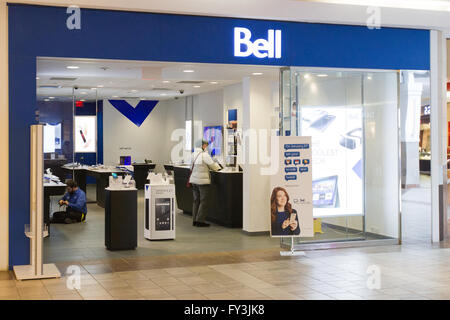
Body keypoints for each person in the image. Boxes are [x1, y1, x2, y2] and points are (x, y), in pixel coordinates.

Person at [189, 139, 221, 227]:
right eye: (205, 145)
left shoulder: (193, 154)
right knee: (204, 201)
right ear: (202, 146)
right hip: (203, 181)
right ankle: (200, 221)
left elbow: (190, 167)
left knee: (196, 201)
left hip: (194, 181)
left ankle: (194, 220)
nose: (206, 147)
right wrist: (219, 168)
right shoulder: (204, 155)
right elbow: (213, 166)